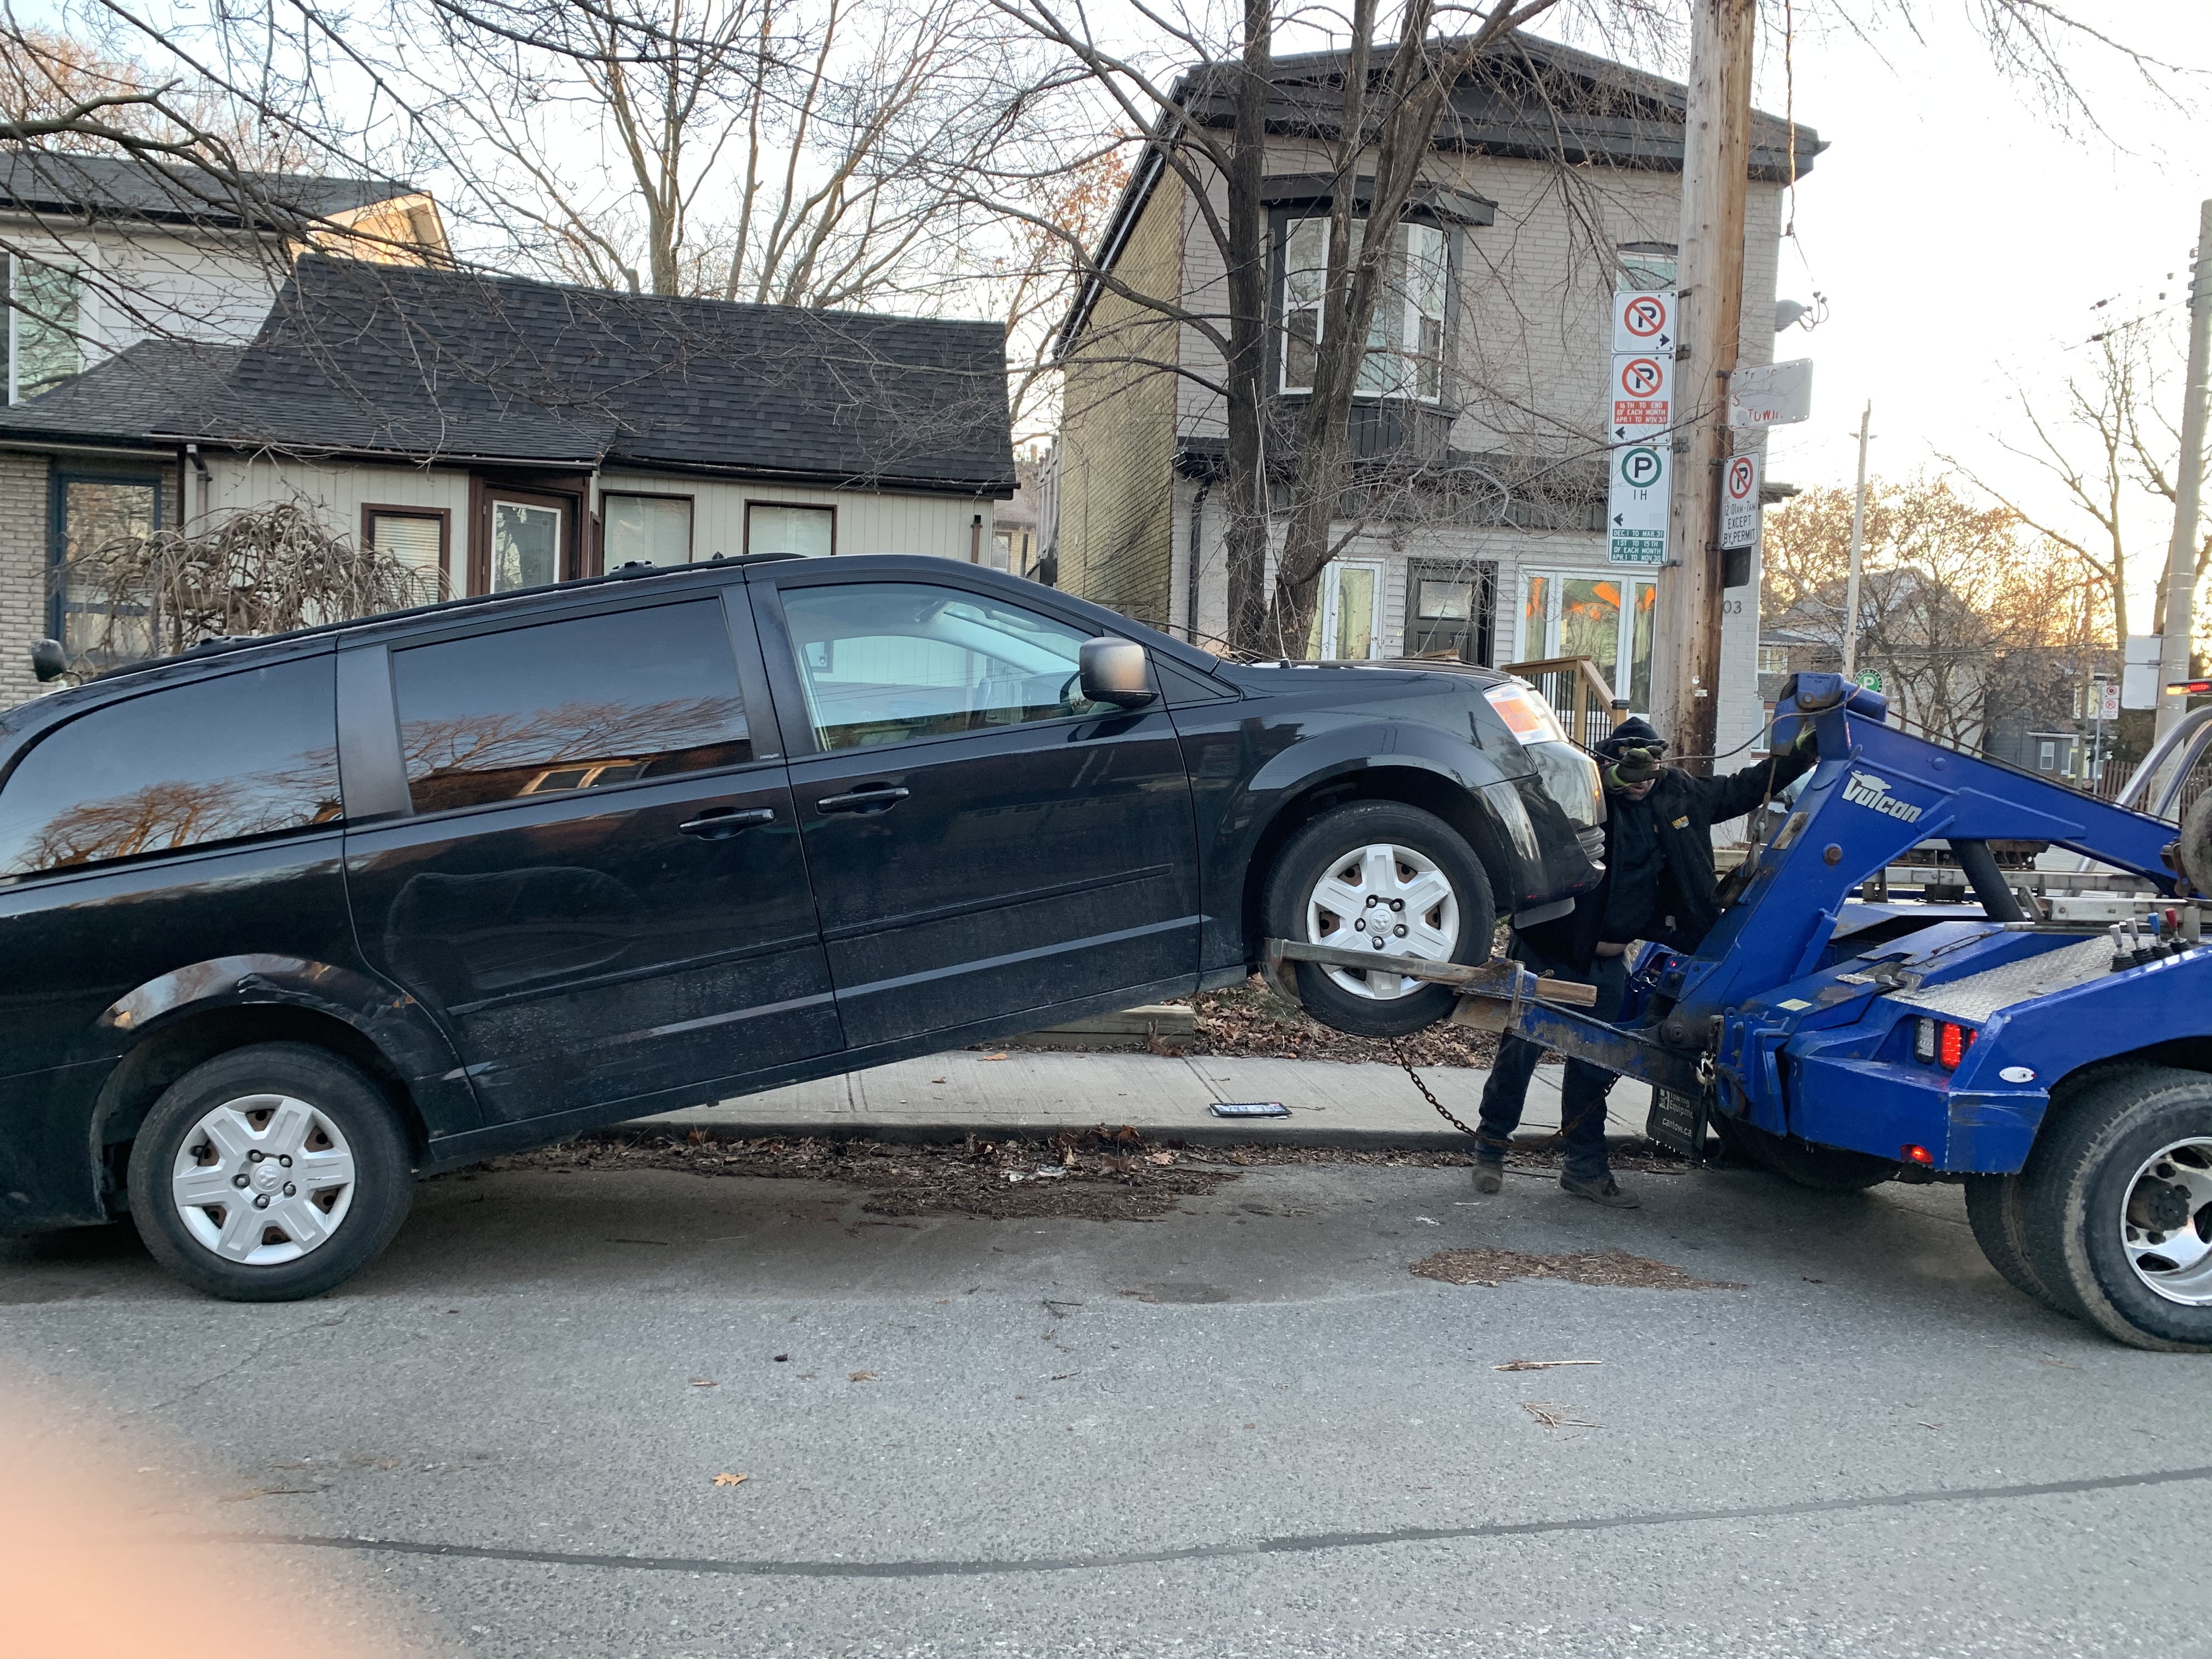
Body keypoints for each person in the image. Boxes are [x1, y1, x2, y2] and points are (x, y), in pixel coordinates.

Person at [1471, 713, 1818, 1206]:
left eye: (1649, 767)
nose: (1640, 779)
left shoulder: (1680, 796)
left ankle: (1585, 1169)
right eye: (1629, 768)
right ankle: (1490, 1149)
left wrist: (1803, 753)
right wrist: (1607, 779)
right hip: (1549, 950)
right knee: (1520, 1054)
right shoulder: (1582, 794)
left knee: (1594, 1065)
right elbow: (1533, 793)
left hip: (1609, 963)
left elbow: (1746, 787)